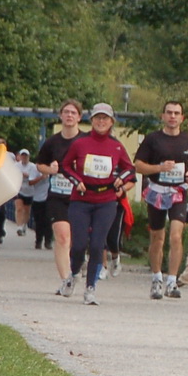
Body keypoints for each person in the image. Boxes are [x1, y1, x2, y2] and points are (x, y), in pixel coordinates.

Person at [58, 104, 137, 304]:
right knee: (78, 245)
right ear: (91, 120)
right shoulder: (80, 143)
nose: (101, 122)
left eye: (105, 118)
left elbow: (130, 169)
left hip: (106, 201)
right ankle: (73, 274)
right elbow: (65, 165)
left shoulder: (116, 146)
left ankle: (90, 289)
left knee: (96, 245)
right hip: (81, 200)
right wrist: (77, 180)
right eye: (98, 118)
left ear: (111, 122)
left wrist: (120, 180)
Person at [134, 101, 188, 299]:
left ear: (182, 118)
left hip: (178, 192)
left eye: (176, 113)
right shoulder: (153, 139)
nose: (172, 116)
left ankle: (172, 281)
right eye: (169, 113)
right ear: (162, 116)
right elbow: (138, 165)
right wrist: (159, 168)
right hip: (157, 192)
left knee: (176, 235)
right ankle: (156, 278)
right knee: (157, 237)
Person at [35, 100, 85, 289]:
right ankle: (66, 281)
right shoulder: (52, 142)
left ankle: (77, 266)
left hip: (80, 197)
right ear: (60, 116)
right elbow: (40, 164)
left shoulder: (86, 141)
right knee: (62, 236)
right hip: (57, 196)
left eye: (73, 112)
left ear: (79, 117)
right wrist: (50, 169)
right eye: (66, 112)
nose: (69, 115)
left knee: (77, 240)